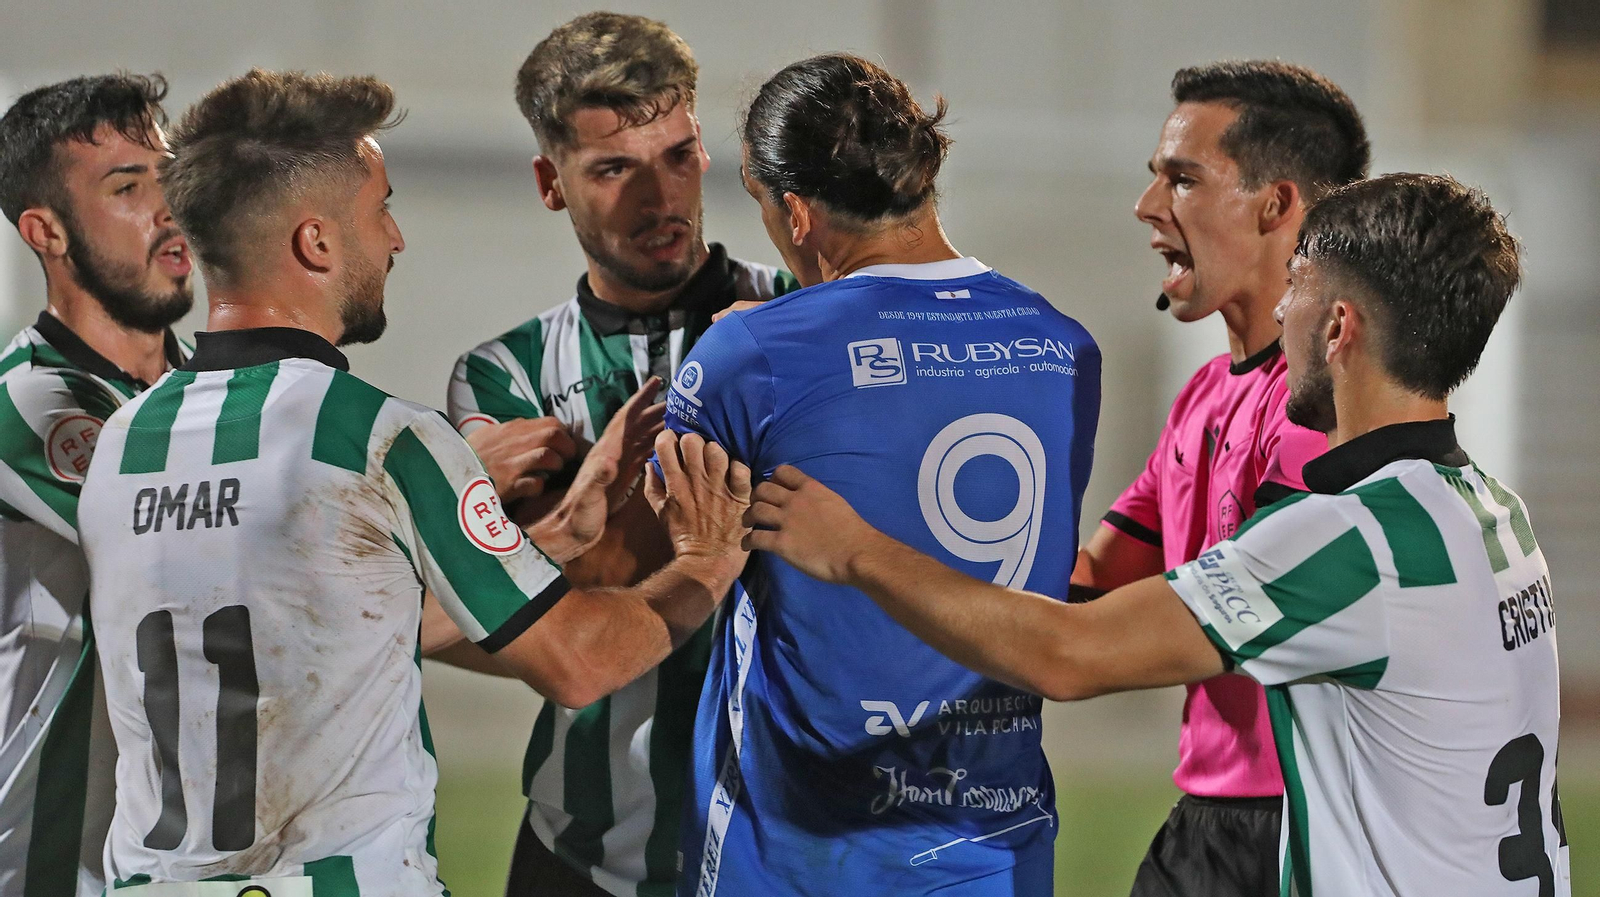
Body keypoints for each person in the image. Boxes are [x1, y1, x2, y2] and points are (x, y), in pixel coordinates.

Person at [741, 173, 1569, 897]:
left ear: (1339, 327)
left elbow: (1069, 653)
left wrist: (854, 548)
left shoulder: (1349, 541)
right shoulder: (1492, 510)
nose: (1281, 306)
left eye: (1300, 286)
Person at [76, 69, 752, 894]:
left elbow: (312, 625)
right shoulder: (377, 435)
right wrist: (707, 561)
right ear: (317, 243)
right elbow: (578, 661)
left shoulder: (122, 442)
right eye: (381, 210)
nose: (395, 239)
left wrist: (560, 534)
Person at [661, 53, 1101, 896]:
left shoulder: (754, 351)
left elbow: (673, 519)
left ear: (794, 210)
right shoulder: (1065, 344)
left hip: (798, 849)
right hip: (992, 843)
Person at [446, 14, 798, 897]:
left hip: (789, 845)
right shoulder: (500, 379)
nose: (660, 198)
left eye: (678, 155)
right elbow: (531, 616)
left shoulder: (807, 313)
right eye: (614, 169)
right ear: (549, 182)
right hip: (581, 856)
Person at [1073, 60, 1369, 896]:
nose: (1147, 207)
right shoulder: (1206, 394)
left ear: (1277, 205)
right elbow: (1090, 587)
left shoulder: (1328, 409)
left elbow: (1111, 640)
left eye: (1182, 179)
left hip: (1303, 825)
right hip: (1211, 819)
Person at [0, 73, 193, 897]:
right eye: (128, 187)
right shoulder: (28, 400)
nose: (169, 209)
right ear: (47, 232)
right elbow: (219, 561)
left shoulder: (213, 397)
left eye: (171, 178)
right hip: (45, 864)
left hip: (177, 865)